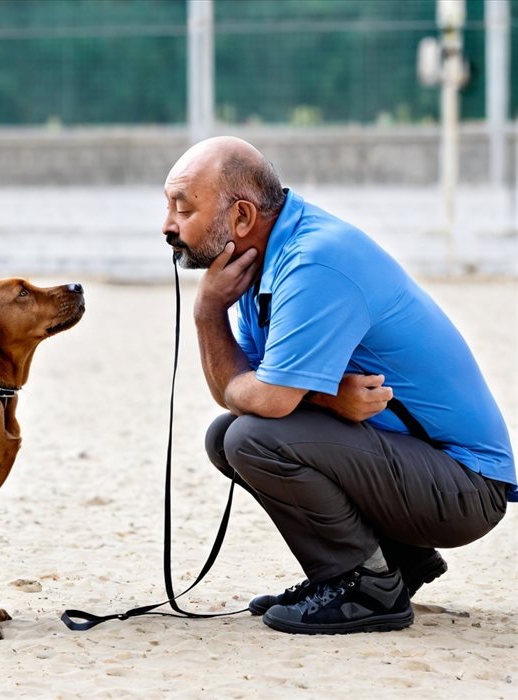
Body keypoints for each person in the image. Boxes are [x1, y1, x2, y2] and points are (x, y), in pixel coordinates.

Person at [161, 136, 515, 635]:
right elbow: (239, 391)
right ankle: (398, 562)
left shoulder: (313, 263)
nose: (168, 226)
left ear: (241, 217)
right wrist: (326, 395)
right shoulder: (255, 264)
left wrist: (205, 313)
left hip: (466, 489)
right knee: (226, 434)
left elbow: (265, 398)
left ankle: (367, 586)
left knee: (249, 439)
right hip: (423, 471)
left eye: (183, 208)